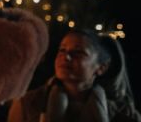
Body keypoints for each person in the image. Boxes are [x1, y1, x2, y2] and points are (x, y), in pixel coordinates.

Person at [8, 29, 141, 122]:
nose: (66, 57)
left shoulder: (122, 114)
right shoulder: (28, 104)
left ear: (101, 68)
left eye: (79, 52)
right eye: (62, 50)